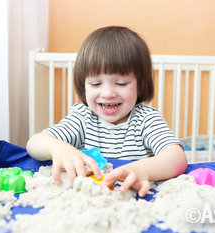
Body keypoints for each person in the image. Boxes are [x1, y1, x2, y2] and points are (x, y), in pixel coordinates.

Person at [26, 26, 187, 197]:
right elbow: (34, 143)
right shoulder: (82, 118)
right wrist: (58, 148)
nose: (108, 93)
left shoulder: (146, 120)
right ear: (84, 85)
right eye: (96, 84)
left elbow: (177, 157)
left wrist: (142, 170)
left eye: (121, 83)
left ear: (140, 85)